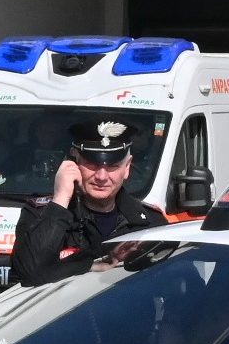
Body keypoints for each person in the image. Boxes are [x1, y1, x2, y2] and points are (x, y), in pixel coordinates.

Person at [10, 121, 165, 286]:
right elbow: (28, 273)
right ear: (73, 162)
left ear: (127, 167)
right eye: (92, 164)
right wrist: (61, 197)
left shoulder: (149, 222)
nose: (102, 176)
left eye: (112, 166)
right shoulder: (41, 215)